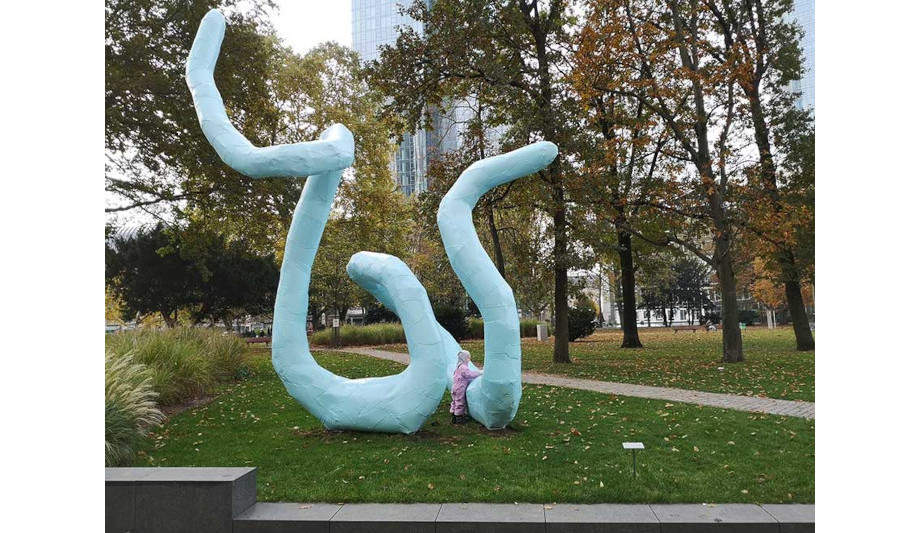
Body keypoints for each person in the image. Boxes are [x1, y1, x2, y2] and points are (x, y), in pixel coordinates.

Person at [450, 350, 481, 424]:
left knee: (454, 401)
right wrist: (478, 373)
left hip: (454, 386)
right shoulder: (464, 367)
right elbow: (468, 375)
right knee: (460, 402)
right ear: (464, 358)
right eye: (468, 358)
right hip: (460, 388)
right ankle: (459, 418)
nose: (468, 359)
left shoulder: (458, 366)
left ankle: (453, 415)